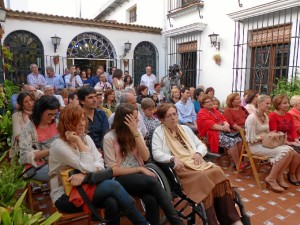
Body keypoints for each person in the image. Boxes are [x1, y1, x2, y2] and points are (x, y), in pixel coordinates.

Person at [49, 105, 148, 225]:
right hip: (66, 196)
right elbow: (89, 167)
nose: (82, 123)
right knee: (113, 185)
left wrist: (84, 175)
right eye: (77, 120)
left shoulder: (86, 138)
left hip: (88, 187)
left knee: (112, 202)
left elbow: (100, 162)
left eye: (83, 119)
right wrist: (79, 143)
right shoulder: (59, 146)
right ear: (66, 123)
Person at [152, 103, 243, 225]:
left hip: (196, 162)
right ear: (162, 120)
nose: (173, 118)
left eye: (175, 114)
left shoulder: (184, 129)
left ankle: (233, 220)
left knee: (217, 172)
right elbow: (156, 153)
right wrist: (172, 158)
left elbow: (200, 145)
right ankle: (212, 222)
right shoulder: (159, 132)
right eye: (169, 116)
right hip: (182, 168)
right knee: (204, 177)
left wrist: (198, 153)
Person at [103, 103, 183, 225]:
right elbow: (112, 170)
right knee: (152, 181)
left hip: (140, 176)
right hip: (120, 178)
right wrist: (138, 169)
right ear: (125, 120)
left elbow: (146, 157)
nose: (137, 121)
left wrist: (136, 133)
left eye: (137, 118)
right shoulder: (109, 137)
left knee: (151, 200)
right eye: (134, 119)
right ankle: (176, 222)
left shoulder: (136, 132)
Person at [245, 94, 294, 192]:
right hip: (255, 146)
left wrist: (274, 135)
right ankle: (271, 178)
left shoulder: (266, 116)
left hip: (265, 144)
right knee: (285, 151)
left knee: (291, 151)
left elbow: (267, 132)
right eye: (267, 103)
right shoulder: (252, 118)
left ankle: (279, 175)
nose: (269, 105)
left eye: (270, 103)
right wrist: (264, 137)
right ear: (259, 103)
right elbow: (250, 139)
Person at [19, 95, 60, 181]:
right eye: (49, 114)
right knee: (62, 172)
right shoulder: (28, 129)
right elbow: (25, 156)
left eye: (55, 114)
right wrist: (51, 149)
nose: (53, 117)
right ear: (40, 112)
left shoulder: (57, 123)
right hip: (35, 166)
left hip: (58, 162)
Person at [197, 94, 242, 168]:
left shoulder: (214, 111)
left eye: (211, 101)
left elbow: (223, 118)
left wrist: (226, 124)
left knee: (239, 140)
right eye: (207, 102)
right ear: (203, 104)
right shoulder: (201, 113)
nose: (210, 103)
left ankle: (235, 162)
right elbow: (211, 125)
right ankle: (238, 165)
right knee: (232, 142)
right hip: (211, 134)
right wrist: (224, 128)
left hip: (222, 131)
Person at [268, 94, 300, 185]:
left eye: (288, 103)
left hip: (289, 139)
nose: (288, 105)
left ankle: (297, 173)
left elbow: (293, 130)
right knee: (296, 153)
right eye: (284, 103)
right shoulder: (272, 116)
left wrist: (296, 139)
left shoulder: (289, 115)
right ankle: (292, 174)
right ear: (278, 105)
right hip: (278, 141)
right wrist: (289, 143)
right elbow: (274, 133)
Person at [76, 86, 109, 151]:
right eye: (90, 97)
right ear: (82, 101)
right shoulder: (77, 116)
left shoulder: (102, 114)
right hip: (83, 150)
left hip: (102, 150)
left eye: (95, 97)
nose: (95, 100)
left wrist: (102, 149)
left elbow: (105, 135)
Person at [10, 92, 35, 157]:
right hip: (24, 149)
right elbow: (18, 136)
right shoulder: (16, 116)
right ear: (22, 104)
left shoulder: (39, 113)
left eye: (31, 100)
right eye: (26, 102)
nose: (29, 103)